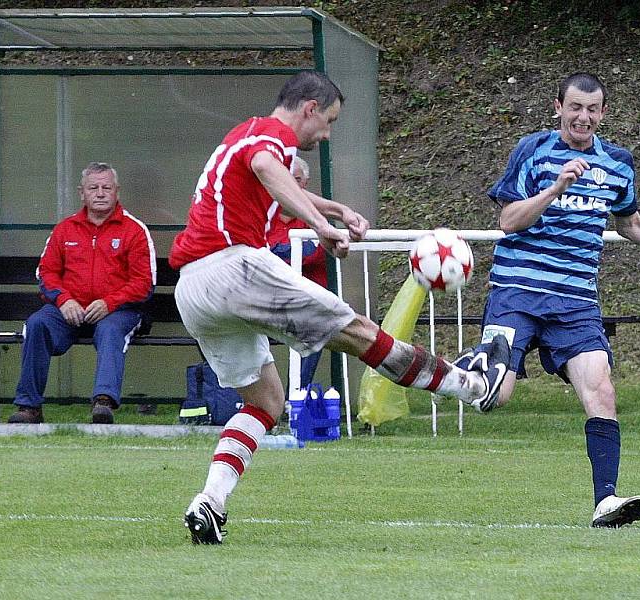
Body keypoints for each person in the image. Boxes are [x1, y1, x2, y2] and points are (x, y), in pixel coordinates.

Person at [169, 70, 510, 545]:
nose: (326, 133)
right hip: (233, 267)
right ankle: (472, 387)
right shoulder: (275, 135)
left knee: (265, 401)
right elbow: (270, 170)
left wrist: (334, 210)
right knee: (360, 334)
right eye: (327, 121)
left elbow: (268, 180)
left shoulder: (241, 134)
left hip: (193, 290)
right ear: (309, 107)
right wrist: (321, 226)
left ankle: (210, 501)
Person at [480, 73, 640, 528]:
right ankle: (464, 371)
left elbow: (630, 224)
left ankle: (606, 501)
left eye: (592, 109)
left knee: (602, 390)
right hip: (518, 291)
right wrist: (554, 189)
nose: (583, 117)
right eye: (575, 107)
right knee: (494, 398)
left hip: (576, 301)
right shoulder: (532, 151)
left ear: (603, 112)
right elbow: (508, 220)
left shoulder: (617, 163)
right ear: (557, 106)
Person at [8, 162, 156, 425]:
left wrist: (110, 302)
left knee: (110, 330)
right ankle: (29, 406)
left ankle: (103, 403)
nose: (100, 193)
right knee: (36, 324)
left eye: (106, 187)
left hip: (119, 312)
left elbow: (144, 282)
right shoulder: (65, 229)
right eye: (93, 188)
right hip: (69, 311)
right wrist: (64, 300)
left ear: (117, 192)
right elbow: (46, 273)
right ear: (82, 193)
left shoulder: (135, 230)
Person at [268, 155, 327, 387]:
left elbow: (312, 255)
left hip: (305, 302)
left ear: (306, 185)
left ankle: (297, 396)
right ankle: (253, 398)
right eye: (286, 178)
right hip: (267, 299)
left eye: (297, 179)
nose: (291, 184)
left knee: (316, 330)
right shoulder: (263, 219)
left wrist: (276, 253)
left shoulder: (316, 219)